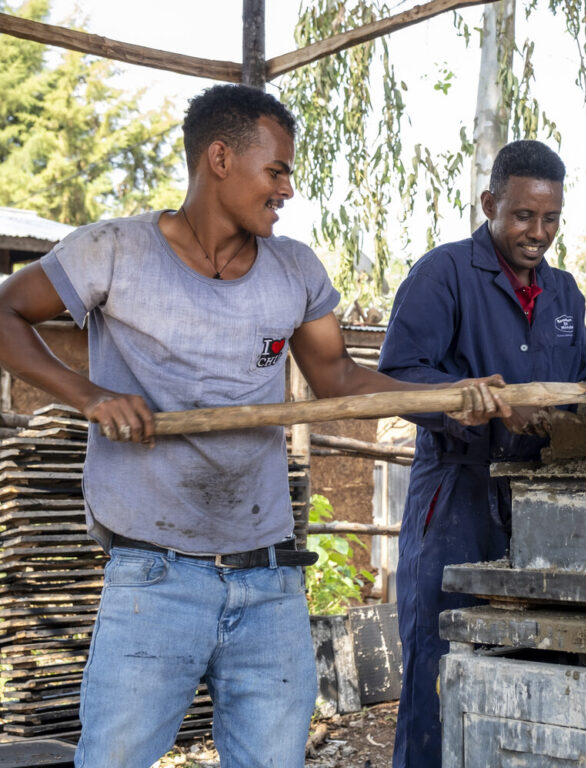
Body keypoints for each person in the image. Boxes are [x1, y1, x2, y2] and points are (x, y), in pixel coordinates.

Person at [0, 85, 509, 768]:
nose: (288, 189)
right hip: (154, 575)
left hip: (269, 580)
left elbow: (341, 381)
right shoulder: (113, 250)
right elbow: (6, 313)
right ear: (219, 158)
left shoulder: (293, 269)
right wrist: (89, 395)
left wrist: (448, 397)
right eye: (276, 171)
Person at [378, 139, 586, 768]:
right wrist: (465, 405)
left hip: (537, 504)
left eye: (551, 218)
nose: (538, 232)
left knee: (531, 658)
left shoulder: (564, 294)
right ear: (489, 205)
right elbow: (396, 376)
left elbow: (581, 383)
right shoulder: (443, 273)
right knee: (442, 666)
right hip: (457, 493)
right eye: (523, 216)